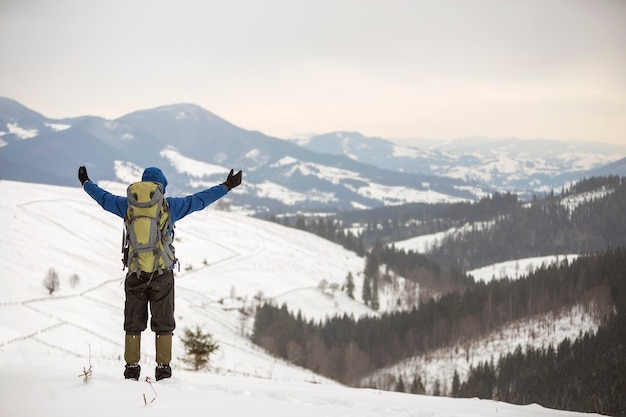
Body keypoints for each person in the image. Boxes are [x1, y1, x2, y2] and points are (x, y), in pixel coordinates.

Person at [78, 165, 242, 381]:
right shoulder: (170, 206)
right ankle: (163, 370)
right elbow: (199, 200)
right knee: (163, 324)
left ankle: (132, 369)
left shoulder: (128, 204)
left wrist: (86, 183)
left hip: (135, 273)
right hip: (162, 274)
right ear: (161, 186)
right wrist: (226, 186)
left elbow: (103, 198)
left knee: (133, 322)